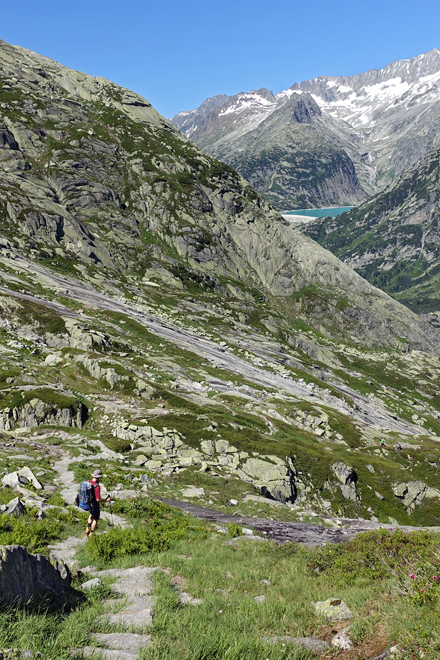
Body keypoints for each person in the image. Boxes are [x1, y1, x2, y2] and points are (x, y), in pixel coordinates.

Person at [85, 469, 110, 537]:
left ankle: (87, 529)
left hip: (88, 503)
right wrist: (106, 500)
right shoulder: (97, 486)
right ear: (99, 477)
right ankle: (91, 533)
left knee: (91, 515)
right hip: (95, 505)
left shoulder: (88, 482)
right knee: (96, 519)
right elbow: (98, 499)